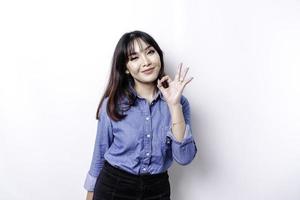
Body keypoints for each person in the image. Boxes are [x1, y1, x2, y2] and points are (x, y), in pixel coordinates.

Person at [84, 30, 198, 200]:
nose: (146, 62)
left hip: (157, 190)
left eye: (150, 52)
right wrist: (90, 194)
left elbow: (184, 157)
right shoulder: (113, 103)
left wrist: (174, 106)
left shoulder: (180, 104)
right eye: (134, 57)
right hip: (113, 187)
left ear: (159, 56)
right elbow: (99, 154)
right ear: (126, 68)